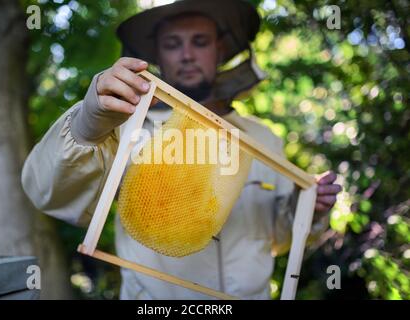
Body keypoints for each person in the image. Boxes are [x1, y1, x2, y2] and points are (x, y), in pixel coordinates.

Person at [22, 0, 341, 299]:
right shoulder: (124, 128)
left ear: (220, 50)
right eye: (173, 44)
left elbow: (278, 239)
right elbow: (47, 191)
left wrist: (305, 210)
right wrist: (86, 126)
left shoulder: (264, 138)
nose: (187, 54)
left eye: (199, 42)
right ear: (158, 56)